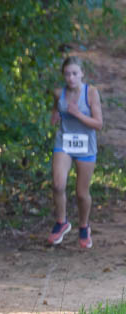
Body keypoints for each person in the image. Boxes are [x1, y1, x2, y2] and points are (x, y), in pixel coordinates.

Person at [49, 56, 103, 249]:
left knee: (81, 193)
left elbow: (98, 124)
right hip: (64, 143)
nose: (70, 78)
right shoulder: (58, 93)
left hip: (85, 145)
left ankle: (83, 226)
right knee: (57, 184)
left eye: (74, 73)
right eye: (67, 74)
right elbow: (56, 107)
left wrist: (78, 114)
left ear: (82, 75)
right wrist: (55, 114)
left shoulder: (91, 93)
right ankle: (62, 222)